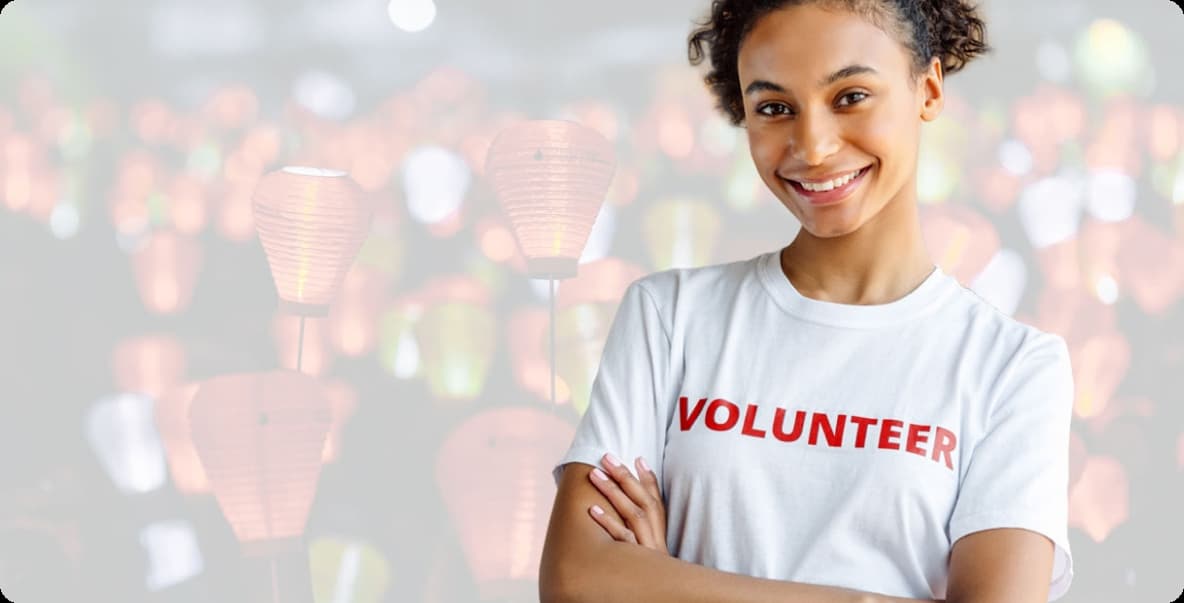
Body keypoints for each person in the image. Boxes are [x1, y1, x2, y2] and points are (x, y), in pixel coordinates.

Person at [540, 1, 1076, 602]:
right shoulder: (670, 317)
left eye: (850, 96)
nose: (813, 147)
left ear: (926, 90)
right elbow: (576, 580)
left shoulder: (1014, 367)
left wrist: (663, 582)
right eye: (774, 108)